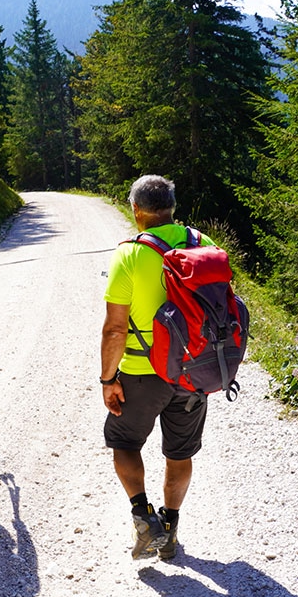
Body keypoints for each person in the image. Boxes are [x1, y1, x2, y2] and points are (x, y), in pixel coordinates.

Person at [100, 174, 217, 560]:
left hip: (143, 371)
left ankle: (144, 518)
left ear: (136, 210)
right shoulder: (203, 244)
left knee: (124, 443)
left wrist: (108, 379)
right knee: (179, 453)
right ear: (172, 207)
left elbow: (115, 329)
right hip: (194, 371)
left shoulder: (130, 255)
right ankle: (170, 528)